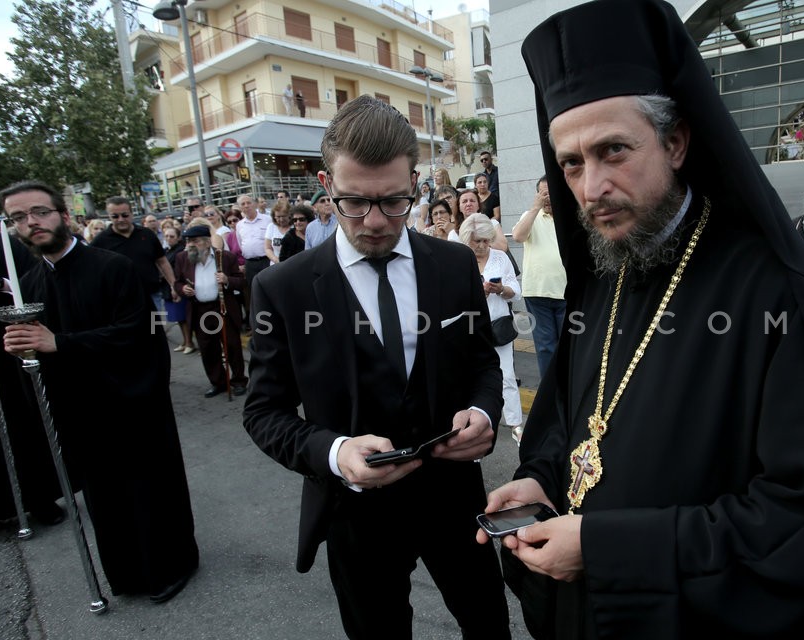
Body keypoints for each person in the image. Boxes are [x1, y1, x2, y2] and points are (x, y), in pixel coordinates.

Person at [477, 2, 804, 638]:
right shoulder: (605, 272)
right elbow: (568, 427)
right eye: (572, 163)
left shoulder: (783, 298)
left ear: (676, 141)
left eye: (614, 150)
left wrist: (608, 547)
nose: (592, 187)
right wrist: (538, 482)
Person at [243, 95, 511, 639]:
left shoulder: (454, 264)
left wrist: (484, 411)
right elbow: (264, 411)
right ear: (325, 185)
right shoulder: (283, 288)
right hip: (354, 513)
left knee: (488, 623)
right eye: (354, 203)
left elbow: (482, 359)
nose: (374, 222)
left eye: (394, 202)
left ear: (414, 182)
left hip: (454, 499)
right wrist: (336, 452)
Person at [0, 180, 199, 603]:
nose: (30, 223)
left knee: (147, 493)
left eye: (39, 212)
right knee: (104, 501)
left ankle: (171, 565)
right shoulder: (30, 285)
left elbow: (140, 334)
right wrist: (22, 351)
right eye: (18, 217)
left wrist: (61, 343)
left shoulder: (112, 267)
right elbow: (37, 355)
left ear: (65, 215)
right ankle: (125, 576)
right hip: (79, 413)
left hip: (129, 405)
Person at [0, 231, 64, 531]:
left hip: (8, 353)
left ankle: (39, 500)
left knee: (21, 424)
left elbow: (35, 285)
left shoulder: (0, 243)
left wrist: (2, 285)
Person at [460, 213, 523, 443]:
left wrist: (500, 289)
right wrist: (479, 293)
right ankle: (473, 423)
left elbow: (516, 291)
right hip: (469, 328)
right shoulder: (459, 259)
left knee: (506, 375)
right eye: (477, 241)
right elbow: (453, 298)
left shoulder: (500, 257)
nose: (482, 246)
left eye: (486, 240)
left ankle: (516, 424)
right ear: (467, 239)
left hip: (498, 326)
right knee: (470, 377)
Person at [174, 226, 248, 398]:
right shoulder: (182, 258)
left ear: (207, 242)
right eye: (188, 241)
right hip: (199, 309)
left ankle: (238, 381)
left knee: (232, 345)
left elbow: (242, 281)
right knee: (208, 348)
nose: (191, 245)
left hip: (222, 307)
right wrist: (182, 289)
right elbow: (177, 283)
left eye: (195, 241)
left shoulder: (225, 257)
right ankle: (219, 382)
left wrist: (227, 280)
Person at [511, 175, 567, 378]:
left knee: (569, 346)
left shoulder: (569, 215)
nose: (547, 198)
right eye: (543, 194)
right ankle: (549, 394)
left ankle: (569, 391)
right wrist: (535, 208)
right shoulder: (531, 215)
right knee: (545, 348)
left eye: (551, 193)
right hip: (537, 292)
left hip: (566, 291)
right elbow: (517, 236)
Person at [90, 196, 178, 313]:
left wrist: (173, 285)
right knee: (133, 331)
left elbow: (162, 261)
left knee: (155, 329)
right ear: (109, 216)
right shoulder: (101, 241)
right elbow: (93, 271)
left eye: (125, 215)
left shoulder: (147, 234)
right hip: (121, 301)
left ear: (132, 214)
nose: (120, 219)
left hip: (152, 295)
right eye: (115, 216)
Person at [234, 193, 271, 317]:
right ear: (240, 208)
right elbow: (241, 244)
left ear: (254, 204)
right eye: (243, 204)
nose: (246, 206)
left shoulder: (267, 220)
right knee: (254, 292)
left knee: (269, 288)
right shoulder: (239, 225)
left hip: (266, 260)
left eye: (248, 202)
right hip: (250, 263)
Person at [162, 227, 196, 354]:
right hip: (166, 288)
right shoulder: (166, 250)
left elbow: (178, 272)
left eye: (172, 236)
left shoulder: (180, 252)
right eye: (166, 236)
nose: (169, 239)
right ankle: (185, 341)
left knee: (183, 316)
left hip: (176, 287)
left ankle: (189, 342)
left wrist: (174, 288)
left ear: (178, 237)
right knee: (178, 318)